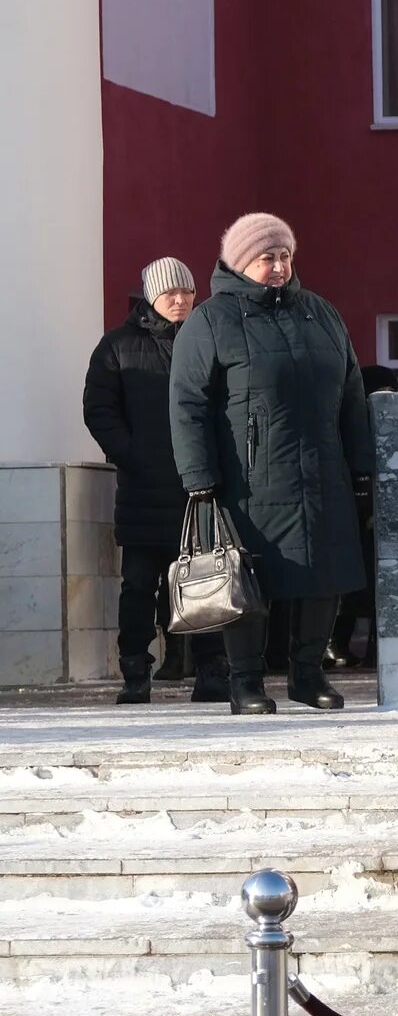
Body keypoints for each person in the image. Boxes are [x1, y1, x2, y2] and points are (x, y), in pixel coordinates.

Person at [169, 214, 373, 715]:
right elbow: (187, 403)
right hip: (248, 481)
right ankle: (246, 683)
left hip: (323, 474)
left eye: (285, 256)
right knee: (249, 583)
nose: (279, 266)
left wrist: (362, 464)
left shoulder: (321, 314)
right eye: (267, 258)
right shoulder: (211, 320)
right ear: (241, 264)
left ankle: (308, 675)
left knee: (323, 577)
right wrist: (198, 477)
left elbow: (351, 393)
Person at [84, 258, 222, 704]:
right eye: (170, 294)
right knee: (139, 584)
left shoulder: (210, 337)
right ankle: (135, 673)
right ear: (151, 297)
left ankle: (210, 671)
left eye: (186, 291)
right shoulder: (118, 346)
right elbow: (99, 409)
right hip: (144, 486)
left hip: (199, 487)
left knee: (204, 582)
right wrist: (132, 454)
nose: (180, 300)